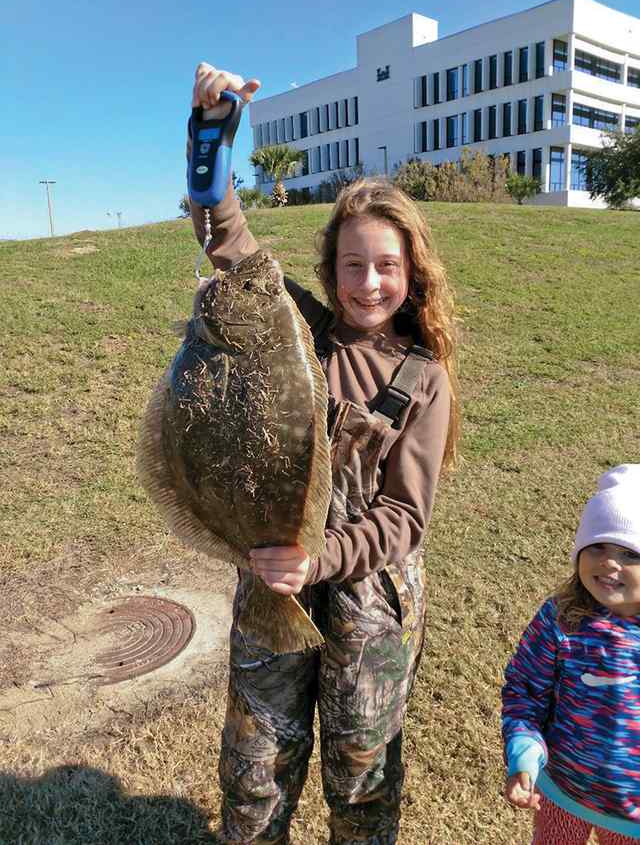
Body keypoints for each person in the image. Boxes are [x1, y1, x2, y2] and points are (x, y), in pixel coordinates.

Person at [188, 63, 460, 845]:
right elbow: (228, 243)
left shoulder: (425, 378)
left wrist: (320, 557)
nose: (368, 282)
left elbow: (404, 517)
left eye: (386, 266)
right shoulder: (296, 327)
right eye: (352, 265)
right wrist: (209, 135)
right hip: (273, 579)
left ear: (411, 274)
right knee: (254, 773)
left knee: (361, 782)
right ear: (330, 270)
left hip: (371, 601)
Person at [502, 464, 640, 845]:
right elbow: (524, 691)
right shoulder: (560, 618)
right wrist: (523, 751)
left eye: (630, 553)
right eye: (597, 546)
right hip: (562, 796)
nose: (609, 562)